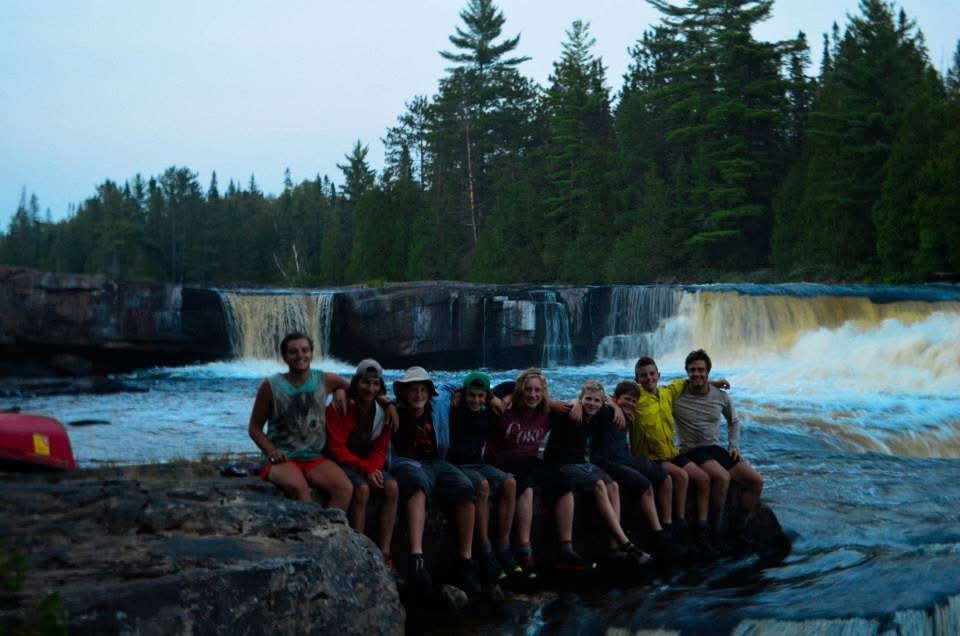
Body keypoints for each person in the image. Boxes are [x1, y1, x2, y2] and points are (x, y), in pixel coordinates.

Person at [390, 366, 480, 596]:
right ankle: (416, 558)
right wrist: (385, 403)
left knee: (466, 489)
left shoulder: (438, 404)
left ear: (430, 393)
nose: (418, 395)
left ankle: (465, 560)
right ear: (404, 393)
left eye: (423, 390)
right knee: (418, 485)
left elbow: (456, 385)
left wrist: (499, 396)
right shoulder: (394, 410)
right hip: (407, 462)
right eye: (413, 390)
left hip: (438, 461)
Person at [547, 380, 651, 568]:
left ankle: (614, 546)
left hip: (581, 464)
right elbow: (546, 406)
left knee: (613, 486)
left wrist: (617, 408)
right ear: (581, 398)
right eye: (588, 399)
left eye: (596, 400)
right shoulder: (571, 412)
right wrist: (573, 403)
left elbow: (611, 399)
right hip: (562, 465)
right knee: (600, 484)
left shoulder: (596, 415)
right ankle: (625, 543)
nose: (592, 404)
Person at [247, 332, 353, 510]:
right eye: (293, 352)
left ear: (311, 353)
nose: (300, 356)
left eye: (305, 350)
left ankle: (326, 526)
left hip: (314, 457)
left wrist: (340, 390)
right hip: (283, 458)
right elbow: (254, 428)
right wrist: (271, 452)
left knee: (345, 489)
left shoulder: (326, 380)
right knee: (299, 489)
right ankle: (314, 526)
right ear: (284, 357)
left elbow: (359, 391)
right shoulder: (270, 386)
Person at [672, 349, 764, 535]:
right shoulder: (676, 395)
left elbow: (734, 421)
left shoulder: (721, 396)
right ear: (687, 372)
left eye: (701, 370)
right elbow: (650, 391)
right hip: (691, 450)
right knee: (722, 477)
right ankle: (715, 526)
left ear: (708, 372)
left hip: (714, 449)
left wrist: (734, 445)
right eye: (692, 370)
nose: (696, 374)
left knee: (756, 482)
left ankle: (740, 524)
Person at [484, 368, 562, 579]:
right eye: (528, 390)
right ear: (520, 391)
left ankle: (566, 546)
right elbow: (486, 391)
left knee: (562, 483)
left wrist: (610, 403)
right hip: (502, 461)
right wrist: (503, 395)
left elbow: (582, 405)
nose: (533, 395)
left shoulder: (547, 411)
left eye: (537, 391)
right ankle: (524, 548)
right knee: (525, 486)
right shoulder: (506, 407)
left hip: (529, 460)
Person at [632, 356, 714, 553]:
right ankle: (677, 523)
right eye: (643, 375)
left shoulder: (668, 392)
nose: (649, 378)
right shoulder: (635, 398)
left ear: (659, 375)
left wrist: (715, 383)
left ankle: (702, 525)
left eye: (652, 374)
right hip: (650, 457)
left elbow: (690, 381)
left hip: (671, 452)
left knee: (703, 478)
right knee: (681, 476)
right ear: (637, 380)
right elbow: (610, 399)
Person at [325, 359, 399, 568]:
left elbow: (380, 448)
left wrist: (373, 469)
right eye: (366, 382)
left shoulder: (384, 412)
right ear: (356, 382)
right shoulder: (338, 407)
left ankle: (385, 552)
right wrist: (368, 470)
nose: (370, 388)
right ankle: (358, 549)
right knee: (362, 490)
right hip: (342, 463)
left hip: (366, 464)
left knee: (392, 486)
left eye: (375, 384)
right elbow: (337, 450)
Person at [447, 371, 519, 582]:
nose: (476, 400)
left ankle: (504, 546)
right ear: (465, 394)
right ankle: (485, 548)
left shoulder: (489, 410)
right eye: (472, 395)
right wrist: (456, 394)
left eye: (480, 396)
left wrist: (498, 397)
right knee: (483, 485)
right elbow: (441, 389)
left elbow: (515, 385)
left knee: (510, 482)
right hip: (458, 465)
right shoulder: (454, 409)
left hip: (479, 464)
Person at [589, 380, 674, 557]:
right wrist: (614, 405)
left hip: (624, 458)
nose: (630, 403)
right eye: (627, 399)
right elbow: (594, 400)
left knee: (664, 476)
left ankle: (668, 526)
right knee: (644, 484)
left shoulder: (627, 415)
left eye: (634, 401)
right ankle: (658, 534)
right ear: (616, 397)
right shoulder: (607, 410)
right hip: (607, 461)